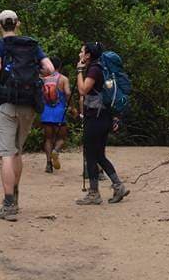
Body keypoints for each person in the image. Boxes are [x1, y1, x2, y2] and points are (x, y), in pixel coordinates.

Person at [0, 10, 54, 221]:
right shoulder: (32, 46)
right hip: (29, 105)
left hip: (7, 104)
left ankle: (8, 204)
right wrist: (32, 76)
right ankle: (15, 196)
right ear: (18, 24)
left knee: (7, 154)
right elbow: (50, 68)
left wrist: (10, 78)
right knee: (18, 151)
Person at [75, 42, 130, 205]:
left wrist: (79, 70)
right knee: (99, 155)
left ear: (88, 55)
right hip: (104, 117)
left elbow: (83, 90)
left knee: (92, 155)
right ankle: (118, 186)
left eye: (82, 51)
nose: (80, 54)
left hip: (95, 118)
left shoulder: (94, 69)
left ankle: (94, 193)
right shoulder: (101, 68)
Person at [40, 57, 70, 173]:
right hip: (59, 113)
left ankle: (48, 164)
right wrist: (70, 106)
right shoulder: (63, 79)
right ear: (60, 66)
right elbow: (67, 93)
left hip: (46, 112)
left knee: (48, 139)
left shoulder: (43, 79)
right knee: (61, 138)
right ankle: (56, 151)